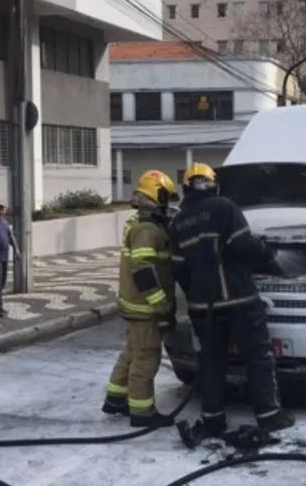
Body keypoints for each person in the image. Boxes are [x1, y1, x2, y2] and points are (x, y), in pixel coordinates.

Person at [167, 162, 295, 436]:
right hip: (238, 299)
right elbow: (244, 246)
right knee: (258, 356)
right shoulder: (225, 207)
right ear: (214, 184)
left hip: (202, 307)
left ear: (186, 187)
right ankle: (269, 415)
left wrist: (196, 294)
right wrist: (267, 253)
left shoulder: (178, 221)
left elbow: (177, 268)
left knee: (211, 361)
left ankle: (213, 419)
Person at [102, 170, 180, 428]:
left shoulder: (138, 224)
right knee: (146, 358)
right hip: (145, 307)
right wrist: (160, 302)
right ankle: (142, 412)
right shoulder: (147, 229)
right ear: (155, 197)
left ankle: (115, 398)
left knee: (132, 352)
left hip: (133, 304)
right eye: (165, 199)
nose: (166, 205)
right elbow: (142, 268)